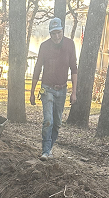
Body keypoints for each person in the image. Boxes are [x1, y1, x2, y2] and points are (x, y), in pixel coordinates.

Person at [30, 18, 78, 160]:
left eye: (58, 32)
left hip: (62, 90)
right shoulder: (44, 47)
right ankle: (45, 151)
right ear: (49, 34)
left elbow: (74, 68)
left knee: (57, 123)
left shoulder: (70, 45)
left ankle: (48, 149)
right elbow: (37, 68)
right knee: (48, 120)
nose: (56, 36)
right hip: (47, 88)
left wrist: (74, 92)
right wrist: (32, 92)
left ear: (62, 30)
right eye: (53, 33)